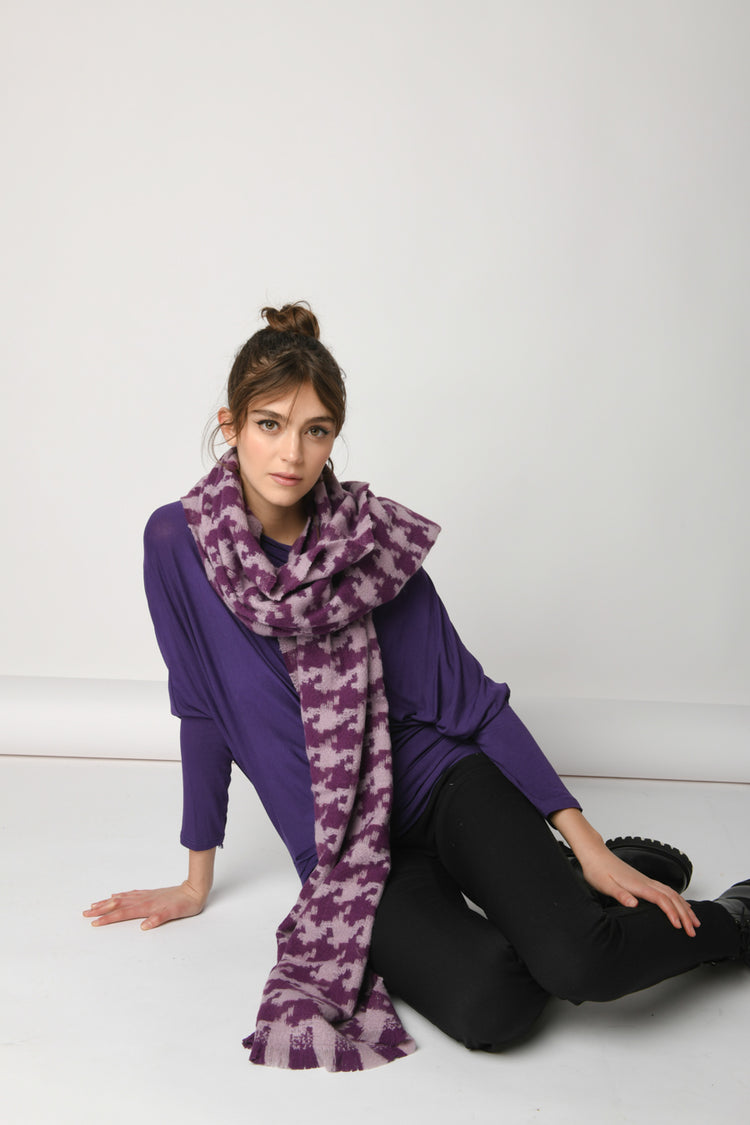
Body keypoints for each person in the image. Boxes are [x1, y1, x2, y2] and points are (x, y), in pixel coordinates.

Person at [83, 302, 750, 1072]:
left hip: (441, 784)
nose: (292, 453)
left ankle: (729, 918)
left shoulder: (369, 550)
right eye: (270, 424)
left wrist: (588, 841)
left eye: (316, 430)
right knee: (494, 1004)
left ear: (335, 436)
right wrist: (194, 880)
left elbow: (473, 704)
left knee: (580, 963)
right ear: (230, 425)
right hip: (341, 848)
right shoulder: (176, 544)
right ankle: (558, 894)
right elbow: (201, 710)